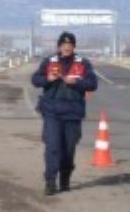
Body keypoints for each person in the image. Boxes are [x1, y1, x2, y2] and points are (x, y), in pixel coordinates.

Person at [31, 31, 99, 196]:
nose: (66, 47)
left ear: (74, 46)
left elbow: (92, 83)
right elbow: (35, 80)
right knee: (53, 146)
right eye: (64, 44)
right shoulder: (49, 61)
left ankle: (65, 179)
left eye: (70, 44)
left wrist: (76, 82)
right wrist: (48, 78)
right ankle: (50, 181)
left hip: (73, 112)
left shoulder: (83, 63)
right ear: (59, 46)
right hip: (52, 111)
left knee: (68, 149)